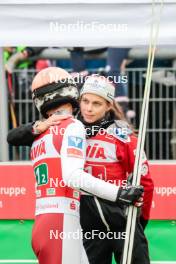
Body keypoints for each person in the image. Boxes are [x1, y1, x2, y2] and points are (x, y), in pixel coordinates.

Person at [9, 67, 144, 264]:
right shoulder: (72, 126)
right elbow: (73, 177)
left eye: (95, 103)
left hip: (44, 222)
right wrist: (120, 193)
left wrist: (38, 125)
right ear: (73, 93)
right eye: (85, 101)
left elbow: (11, 137)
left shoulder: (40, 132)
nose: (88, 108)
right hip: (63, 221)